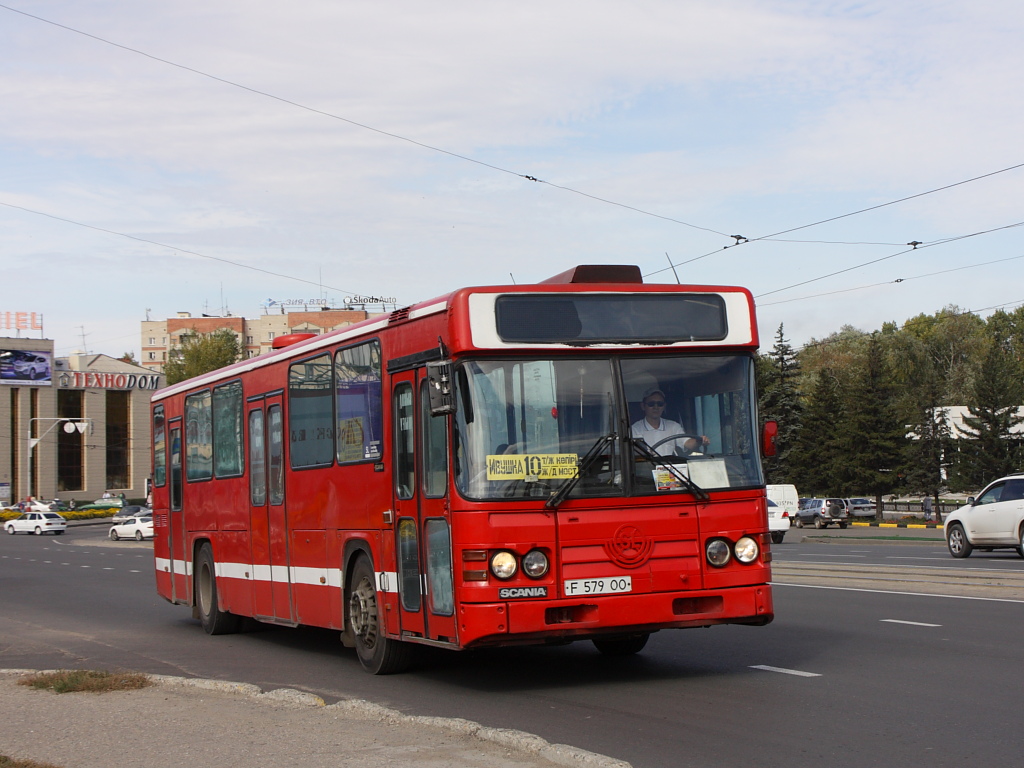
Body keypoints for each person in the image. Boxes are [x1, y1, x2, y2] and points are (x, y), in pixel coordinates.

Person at [631, 388, 709, 456]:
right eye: (651, 404)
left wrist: (699, 441)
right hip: (645, 470)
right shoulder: (634, 430)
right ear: (643, 406)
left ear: (664, 406)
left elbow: (688, 443)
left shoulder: (673, 426)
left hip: (670, 470)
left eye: (660, 404)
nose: (656, 407)